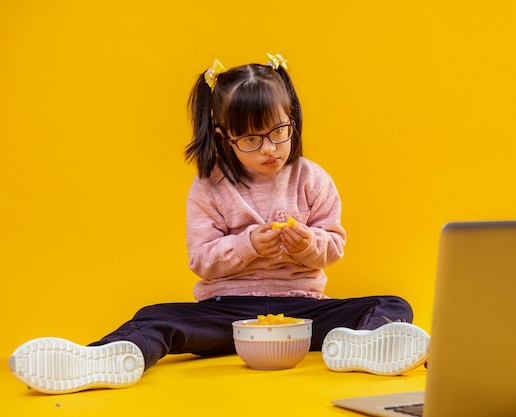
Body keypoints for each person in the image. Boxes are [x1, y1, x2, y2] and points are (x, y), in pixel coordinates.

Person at [8, 54, 430, 395]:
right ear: (223, 135)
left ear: (293, 119)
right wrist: (249, 245)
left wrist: (307, 243)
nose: (270, 149)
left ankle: (368, 346)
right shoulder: (209, 186)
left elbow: (334, 246)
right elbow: (203, 261)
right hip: (226, 314)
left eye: (279, 132)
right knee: (153, 316)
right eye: (251, 139)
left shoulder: (312, 177)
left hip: (303, 314)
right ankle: (105, 357)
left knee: (391, 304)